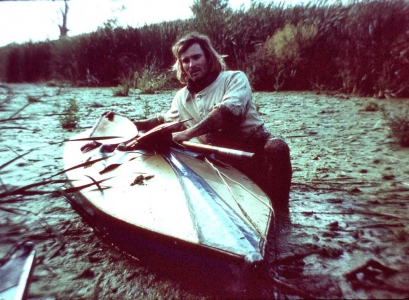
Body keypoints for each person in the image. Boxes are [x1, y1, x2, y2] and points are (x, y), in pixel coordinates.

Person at [107, 32, 292, 209]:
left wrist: (187, 133)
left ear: (208, 58)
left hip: (255, 149)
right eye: (185, 60)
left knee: (277, 148)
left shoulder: (234, 78)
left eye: (196, 57)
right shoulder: (181, 97)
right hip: (220, 157)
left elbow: (226, 114)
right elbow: (164, 119)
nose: (191, 64)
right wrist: (128, 122)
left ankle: (281, 209)